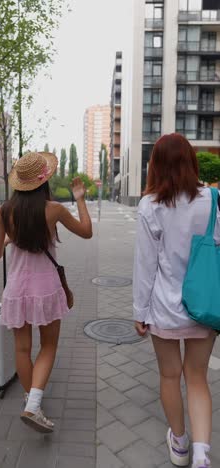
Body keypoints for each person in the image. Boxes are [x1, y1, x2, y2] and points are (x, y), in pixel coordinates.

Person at [0, 151, 92, 433]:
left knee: (22, 348)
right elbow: (86, 231)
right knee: (48, 346)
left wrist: (10, 238)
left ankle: (30, 401)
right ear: (43, 180)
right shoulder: (54, 210)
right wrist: (80, 197)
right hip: (46, 288)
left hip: (15, 290)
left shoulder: (4, 212)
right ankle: (33, 405)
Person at [133, 133, 218, 468]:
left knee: (170, 376)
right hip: (205, 306)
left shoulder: (150, 205)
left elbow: (145, 264)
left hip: (164, 307)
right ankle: (201, 454)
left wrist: (139, 310)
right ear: (191, 161)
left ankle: (180, 445)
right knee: (197, 377)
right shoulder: (213, 199)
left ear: (155, 166)